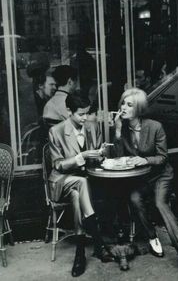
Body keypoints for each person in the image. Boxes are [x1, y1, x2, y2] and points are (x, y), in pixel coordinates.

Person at [113, 88, 178, 281]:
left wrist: (145, 160)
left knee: (160, 204)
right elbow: (120, 157)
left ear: (139, 108)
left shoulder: (155, 127)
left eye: (129, 105)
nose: (124, 108)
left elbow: (163, 157)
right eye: (123, 103)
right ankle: (152, 235)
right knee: (134, 198)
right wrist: (118, 130)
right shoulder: (125, 129)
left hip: (161, 175)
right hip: (143, 178)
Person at [48, 91, 114, 277]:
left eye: (87, 113)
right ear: (69, 111)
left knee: (78, 194)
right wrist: (80, 157)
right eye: (81, 114)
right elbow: (58, 164)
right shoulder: (56, 131)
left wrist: (100, 154)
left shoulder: (93, 127)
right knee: (80, 182)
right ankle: (99, 244)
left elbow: (99, 156)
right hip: (62, 181)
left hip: (86, 182)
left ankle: (80, 253)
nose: (85, 118)